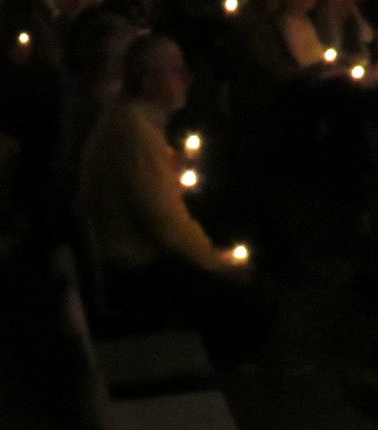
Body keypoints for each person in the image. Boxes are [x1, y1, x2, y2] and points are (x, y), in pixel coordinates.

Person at [75, 34, 272, 367]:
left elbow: (151, 182)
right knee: (255, 305)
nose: (187, 78)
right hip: (132, 273)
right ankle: (210, 373)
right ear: (149, 80)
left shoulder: (130, 121)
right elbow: (171, 230)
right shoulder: (134, 133)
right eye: (176, 70)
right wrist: (219, 263)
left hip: (128, 258)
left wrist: (174, 165)